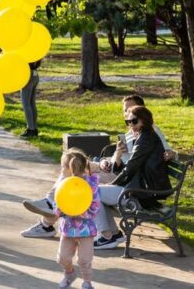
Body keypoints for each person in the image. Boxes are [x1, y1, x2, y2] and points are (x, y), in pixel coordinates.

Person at [20, 94, 176, 239]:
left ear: (142, 114)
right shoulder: (135, 133)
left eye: (132, 116)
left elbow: (156, 155)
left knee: (81, 181)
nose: (129, 119)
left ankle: (51, 212)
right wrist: (110, 159)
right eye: (126, 115)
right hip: (115, 169)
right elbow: (127, 161)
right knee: (71, 162)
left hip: (126, 181)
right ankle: (52, 208)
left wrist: (172, 154)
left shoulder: (149, 135)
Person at [93, 105, 171, 250]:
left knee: (91, 193)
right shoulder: (143, 137)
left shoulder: (146, 139)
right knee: (94, 193)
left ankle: (107, 236)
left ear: (144, 120)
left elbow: (131, 167)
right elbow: (131, 167)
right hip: (139, 189)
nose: (131, 125)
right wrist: (118, 158)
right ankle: (112, 234)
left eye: (134, 121)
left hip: (142, 194)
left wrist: (113, 183)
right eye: (128, 122)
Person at [55, 148, 99, 289]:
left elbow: (95, 207)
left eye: (63, 167)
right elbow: (57, 204)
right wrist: (61, 211)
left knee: (84, 259)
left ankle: (87, 282)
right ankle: (69, 274)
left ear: (70, 168)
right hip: (68, 227)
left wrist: (80, 213)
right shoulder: (63, 184)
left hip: (86, 229)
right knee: (62, 258)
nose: (61, 171)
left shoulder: (90, 185)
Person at [20, 60, 42, 137]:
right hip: (35, 74)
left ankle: (31, 129)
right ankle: (34, 129)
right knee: (32, 103)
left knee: (26, 104)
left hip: (28, 75)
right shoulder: (36, 55)